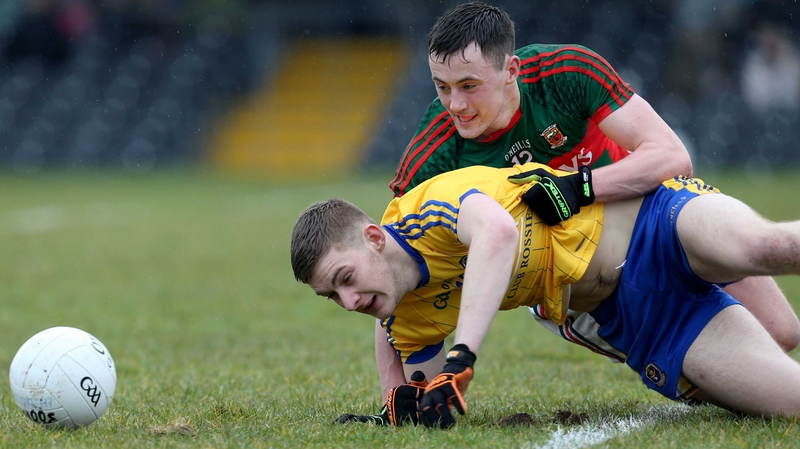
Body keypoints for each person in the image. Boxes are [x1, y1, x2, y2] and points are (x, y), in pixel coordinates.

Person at [387, 1, 799, 391]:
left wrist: (579, 187)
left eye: (469, 86)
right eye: (442, 87)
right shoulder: (436, 149)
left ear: (511, 69)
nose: (455, 105)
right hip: (583, 290)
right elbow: (388, 262)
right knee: (715, 378)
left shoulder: (565, 73)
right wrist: (394, 393)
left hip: (652, 219)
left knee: (782, 333)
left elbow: (672, 156)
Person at [291, 162, 800, 428]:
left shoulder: (426, 208)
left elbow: (497, 235)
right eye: (331, 297)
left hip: (655, 222)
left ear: (375, 239)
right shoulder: (407, 319)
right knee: (789, 402)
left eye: (345, 277)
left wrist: (462, 354)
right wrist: (403, 405)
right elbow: (428, 400)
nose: (349, 301)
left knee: (765, 245)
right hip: (642, 319)